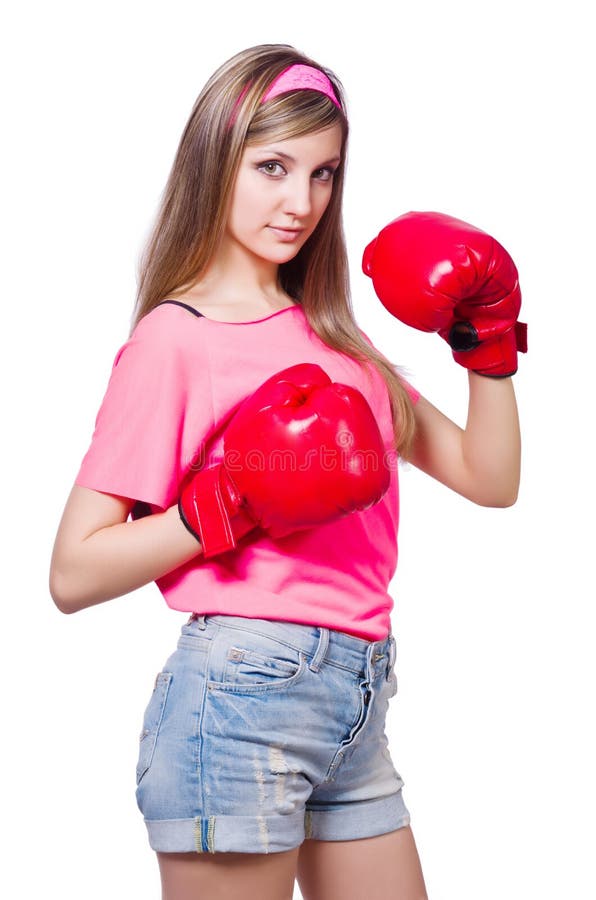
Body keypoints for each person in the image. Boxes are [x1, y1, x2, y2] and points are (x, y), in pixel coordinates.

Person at [49, 43, 523, 900]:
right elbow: (73, 571)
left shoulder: (338, 340)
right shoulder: (176, 338)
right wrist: (233, 501)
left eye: (323, 173)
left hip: (358, 697)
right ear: (216, 162)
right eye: (272, 166)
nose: (300, 201)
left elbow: (488, 479)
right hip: (240, 695)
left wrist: (488, 340)